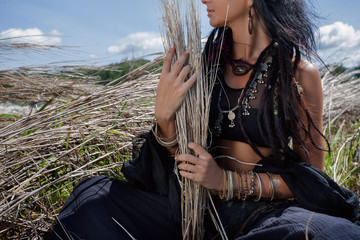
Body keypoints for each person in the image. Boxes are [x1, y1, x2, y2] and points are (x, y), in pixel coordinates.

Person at [51, 0, 360, 239]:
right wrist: (164, 119)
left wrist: (227, 181)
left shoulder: (296, 74)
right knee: (91, 199)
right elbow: (178, 155)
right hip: (194, 207)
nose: (202, 0)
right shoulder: (203, 66)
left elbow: (312, 177)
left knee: (329, 234)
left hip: (266, 214)